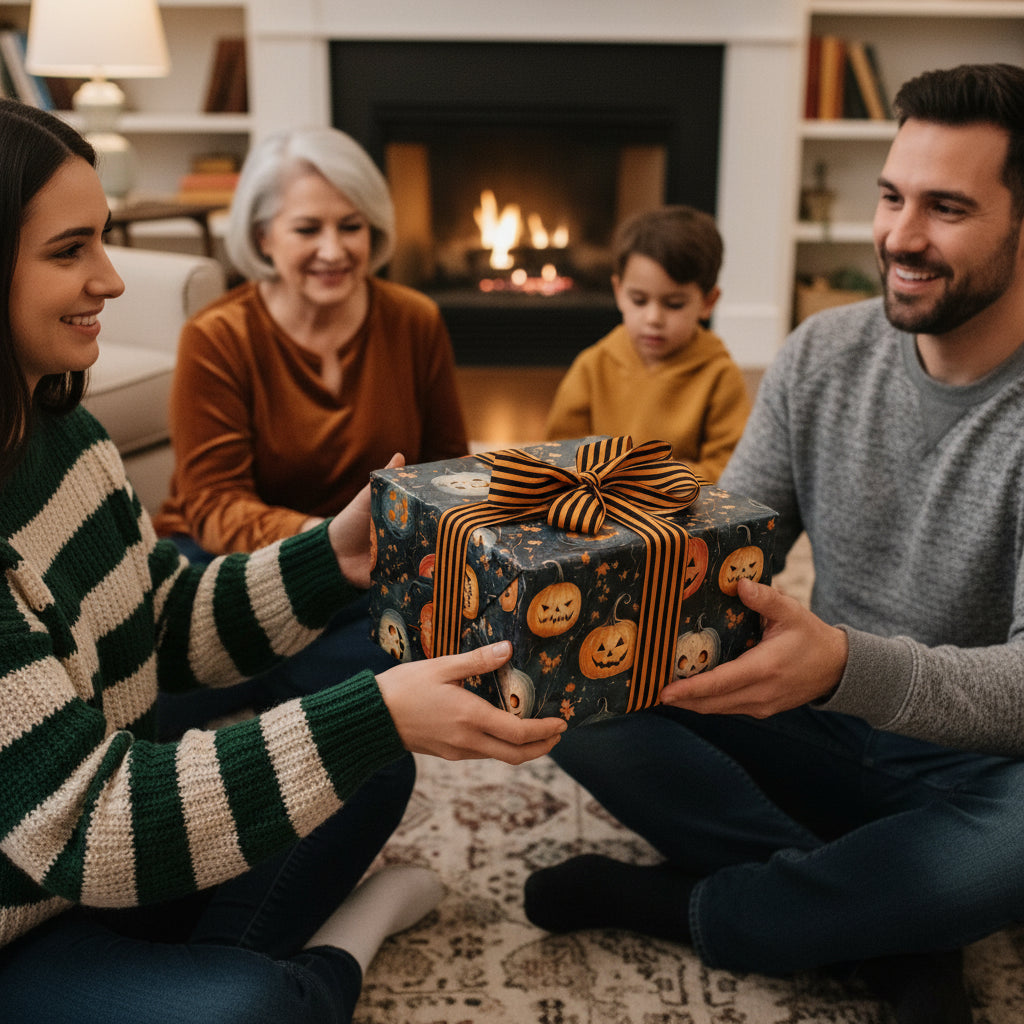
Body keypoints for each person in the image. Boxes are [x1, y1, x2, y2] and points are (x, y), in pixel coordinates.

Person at [0, 99, 566, 1024]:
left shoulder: (67, 433)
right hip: (26, 911)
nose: (111, 278)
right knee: (250, 1004)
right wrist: (376, 708)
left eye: (103, 241)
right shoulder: (222, 337)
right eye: (70, 252)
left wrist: (330, 556)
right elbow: (92, 823)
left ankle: (184, 977)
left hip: (96, 875)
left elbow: (165, 622)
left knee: (368, 759)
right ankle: (327, 949)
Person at [524, 63, 1024, 1024]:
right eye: (891, 196)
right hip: (814, 718)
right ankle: (896, 918)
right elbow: (717, 556)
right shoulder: (820, 354)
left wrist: (843, 665)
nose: (900, 237)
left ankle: (700, 905)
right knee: (574, 684)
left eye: (947, 208)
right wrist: (571, 567)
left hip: (971, 756)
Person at [152, 126, 470, 730]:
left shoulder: (415, 320)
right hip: (230, 563)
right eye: (307, 229)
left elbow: (450, 473)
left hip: (367, 574)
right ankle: (278, 678)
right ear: (262, 236)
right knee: (140, 713)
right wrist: (324, 546)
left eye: (351, 226)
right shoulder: (217, 337)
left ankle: (278, 679)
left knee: (374, 740)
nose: (334, 249)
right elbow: (214, 503)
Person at [543, 205, 749, 482]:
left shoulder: (720, 376)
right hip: (600, 512)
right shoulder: (592, 366)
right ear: (619, 292)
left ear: (708, 302)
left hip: (682, 517)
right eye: (639, 300)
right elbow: (556, 455)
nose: (653, 318)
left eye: (674, 304)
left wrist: (653, 480)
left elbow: (730, 471)